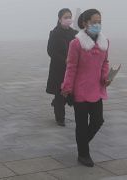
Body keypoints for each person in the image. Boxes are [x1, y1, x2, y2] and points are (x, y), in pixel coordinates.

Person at [61, 9, 110, 167]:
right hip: (80, 91)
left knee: (98, 120)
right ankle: (83, 154)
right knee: (81, 124)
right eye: (94, 22)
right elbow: (71, 67)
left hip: (96, 89)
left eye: (99, 22)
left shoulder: (104, 42)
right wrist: (67, 88)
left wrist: (106, 77)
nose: (97, 25)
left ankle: (81, 143)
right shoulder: (76, 43)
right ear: (84, 23)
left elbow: (105, 62)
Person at [46, 8, 78, 126]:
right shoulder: (54, 33)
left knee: (70, 93)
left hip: (72, 68)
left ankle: (56, 103)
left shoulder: (74, 33)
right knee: (60, 92)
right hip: (59, 69)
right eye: (66, 17)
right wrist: (64, 60)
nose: (68, 19)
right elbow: (50, 51)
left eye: (70, 17)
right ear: (60, 19)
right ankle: (60, 118)